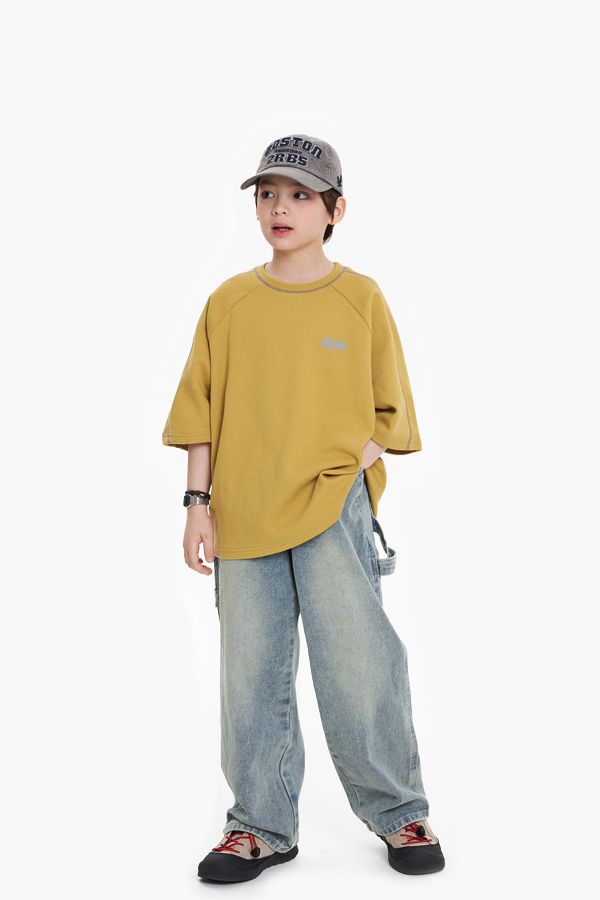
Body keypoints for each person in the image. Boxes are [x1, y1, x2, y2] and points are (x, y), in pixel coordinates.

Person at [162, 133, 445, 883]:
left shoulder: (360, 297)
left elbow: (392, 409)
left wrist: (354, 461)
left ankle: (399, 811)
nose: (279, 208)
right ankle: (259, 826)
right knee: (249, 674)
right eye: (267, 194)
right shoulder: (229, 303)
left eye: (299, 195)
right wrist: (197, 504)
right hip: (244, 508)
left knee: (359, 663)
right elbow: (200, 411)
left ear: (335, 210)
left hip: (332, 508)